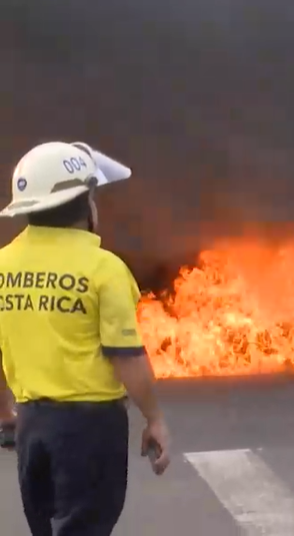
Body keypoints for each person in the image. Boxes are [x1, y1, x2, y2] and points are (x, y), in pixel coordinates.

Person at [0, 141, 172, 536]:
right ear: (85, 203)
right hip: (89, 430)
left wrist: (6, 414)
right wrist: (155, 418)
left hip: (31, 427)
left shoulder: (2, 266)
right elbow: (126, 355)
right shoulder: (103, 270)